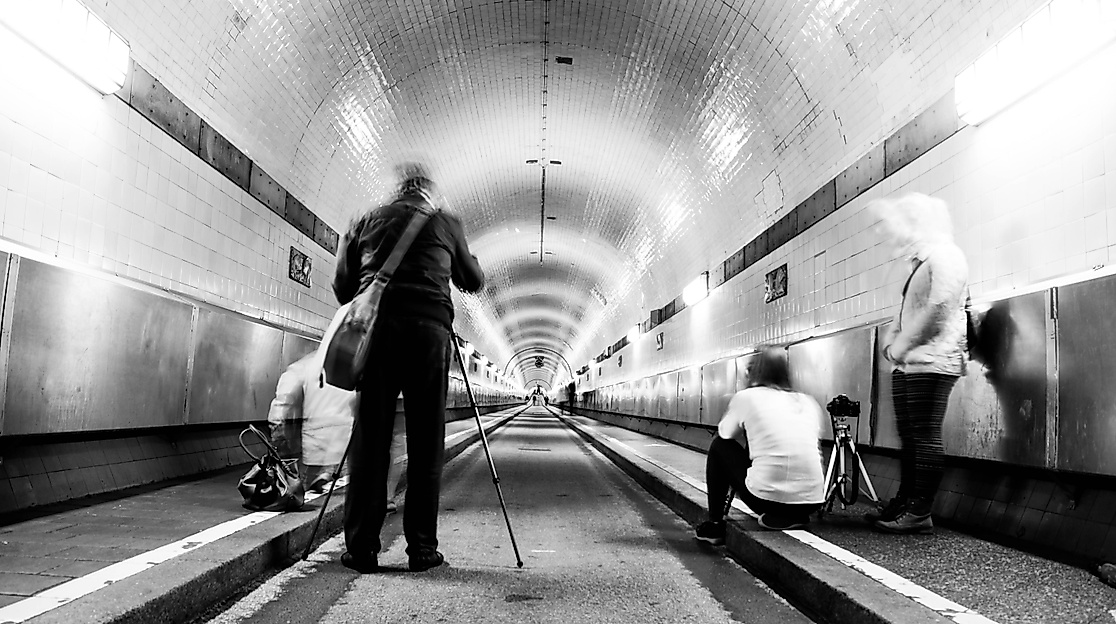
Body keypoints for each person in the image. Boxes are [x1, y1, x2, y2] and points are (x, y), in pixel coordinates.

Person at [333, 168, 484, 573]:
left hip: (378, 332)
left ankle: (362, 548)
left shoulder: (366, 219)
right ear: (427, 192)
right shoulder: (446, 223)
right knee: (425, 441)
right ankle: (422, 548)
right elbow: (473, 279)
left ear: (396, 190)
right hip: (429, 334)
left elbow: (343, 287)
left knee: (371, 438)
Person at [867, 192, 969, 535]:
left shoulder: (947, 256)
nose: (896, 235)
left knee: (923, 436)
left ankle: (919, 511)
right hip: (910, 362)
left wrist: (900, 343)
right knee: (910, 437)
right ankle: (906, 501)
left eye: (902, 224)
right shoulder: (922, 262)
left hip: (932, 360)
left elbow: (939, 309)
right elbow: (912, 311)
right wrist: (894, 346)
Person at [694, 347, 825, 544]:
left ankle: (715, 525)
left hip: (765, 499)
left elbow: (725, 432)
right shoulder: (807, 401)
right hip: (812, 501)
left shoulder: (748, 397)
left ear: (754, 373)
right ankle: (791, 515)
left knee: (719, 447)